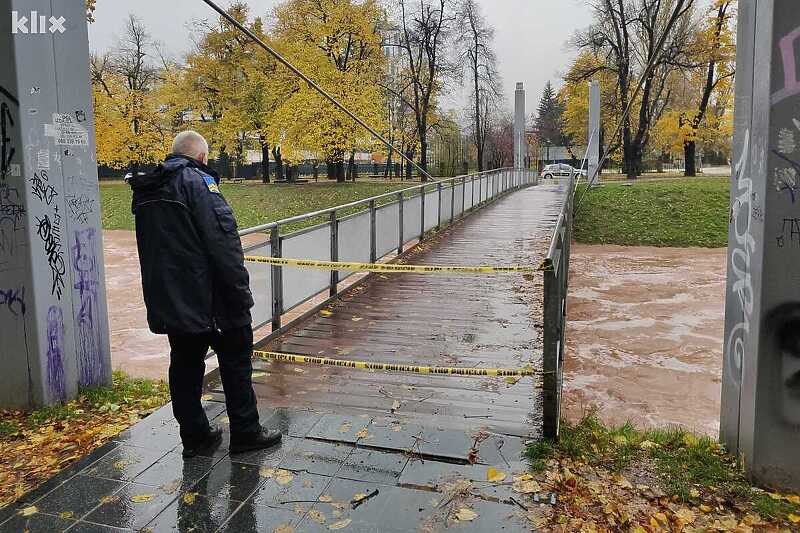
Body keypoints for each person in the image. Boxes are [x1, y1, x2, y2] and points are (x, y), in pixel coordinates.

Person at [129, 131, 281, 458]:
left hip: (174, 302)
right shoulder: (199, 183)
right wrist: (240, 294)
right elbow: (224, 244)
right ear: (202, 158)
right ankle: (246, 433)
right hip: (214, 300)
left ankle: (196, 437)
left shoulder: (147, 189)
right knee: (236, 362)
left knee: (184, 368)